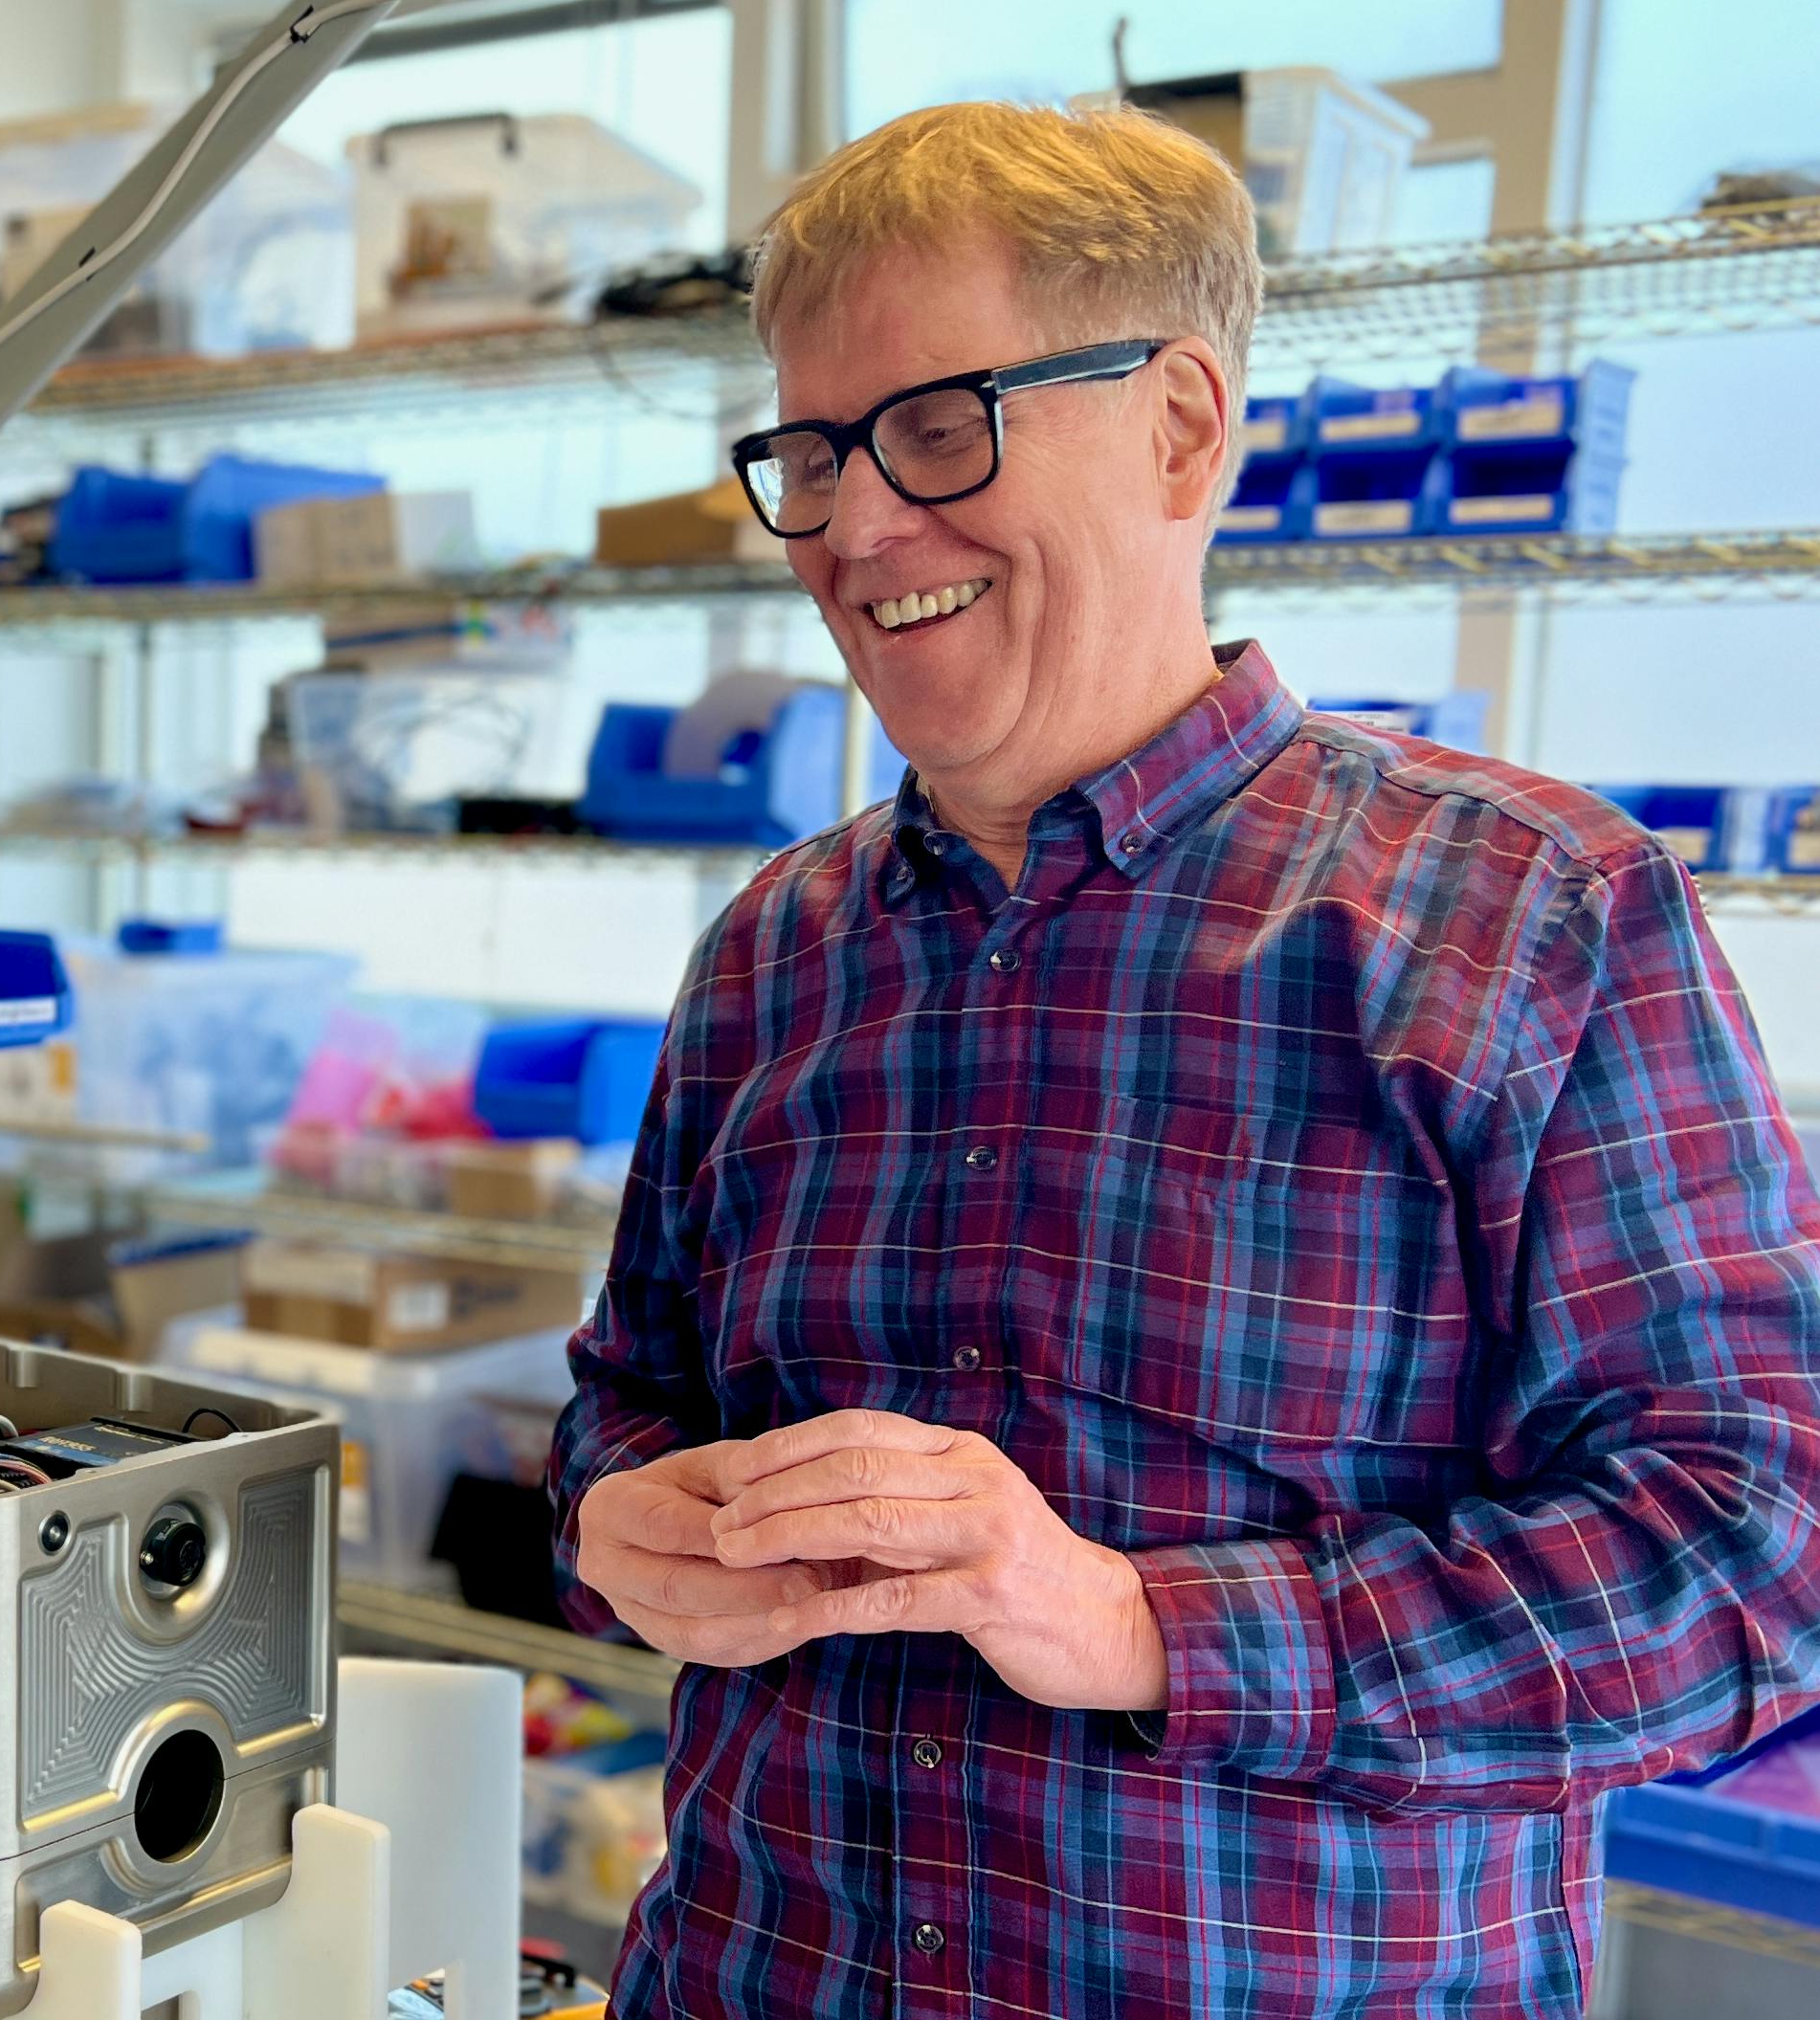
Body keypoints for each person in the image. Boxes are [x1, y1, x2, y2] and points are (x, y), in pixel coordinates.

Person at [546, 100, 1820, 2016]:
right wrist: (610, 1523)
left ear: (1179, 426)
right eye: (806, 450)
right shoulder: (771, 952)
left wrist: (1141, 1622)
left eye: (935, 425)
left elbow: (1752, 1545)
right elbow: (625, 1399)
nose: (859, 523)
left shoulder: (1528, 915)